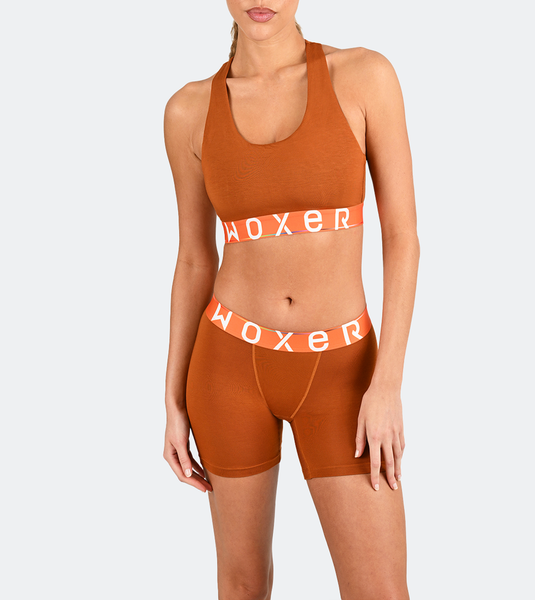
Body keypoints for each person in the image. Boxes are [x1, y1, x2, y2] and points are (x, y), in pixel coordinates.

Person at [162, 2, 419, 599]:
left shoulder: (365, 76)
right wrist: (172, 398)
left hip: (344, 372)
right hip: (228, 367)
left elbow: (403, 237)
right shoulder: (187, 110)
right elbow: (195, 258)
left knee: (380, 591)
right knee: (242, 586)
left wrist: (386, 384)